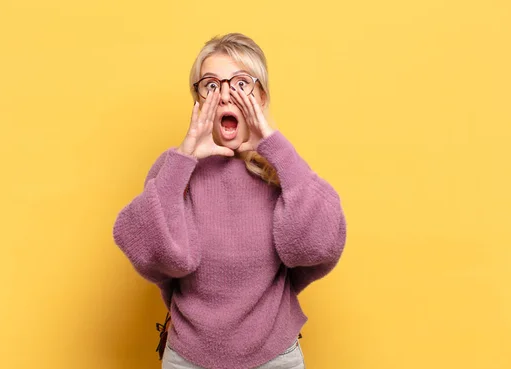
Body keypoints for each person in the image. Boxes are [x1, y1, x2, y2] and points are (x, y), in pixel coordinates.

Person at [112, 33, 347, 369]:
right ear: (197, 98)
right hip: (187, 358)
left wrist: (274, 145)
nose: (224, 95)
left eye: (240, 83)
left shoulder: (282, 168)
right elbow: (156, 253)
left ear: (261, 96)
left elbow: (317, 247)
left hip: (274, 357)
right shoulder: (175, 167)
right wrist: (184, 158)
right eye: (211, 85)